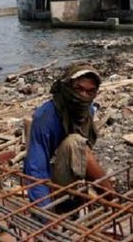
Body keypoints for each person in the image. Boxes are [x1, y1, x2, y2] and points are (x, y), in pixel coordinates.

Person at [24, 63, 113, 214]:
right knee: (76, 143)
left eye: (90, 91)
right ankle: (115, 198)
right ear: (67, 87)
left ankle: (106, 197)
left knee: (78, 144)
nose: (84, 96)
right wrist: (44, 212)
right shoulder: (46, 117)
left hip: (72, 172)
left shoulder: (87, 110)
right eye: (79, 89)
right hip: (53, 185)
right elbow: (36, 168)